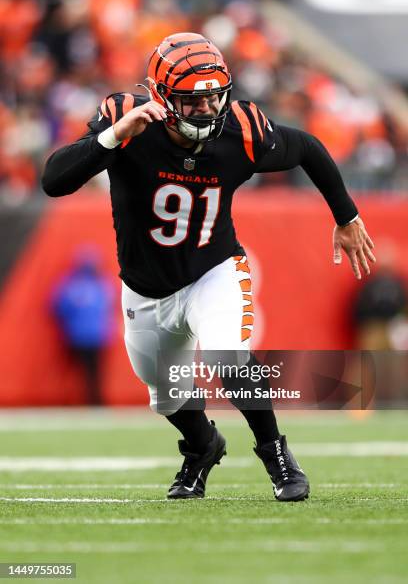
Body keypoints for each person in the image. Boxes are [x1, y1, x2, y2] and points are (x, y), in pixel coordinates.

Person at [41, 32, 376, 502]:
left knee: (228, 360)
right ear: (159, 96)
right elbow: (54, 180)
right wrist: (115, 137)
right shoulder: (125, 120)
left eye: (214, 97)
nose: (206, 109)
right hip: (144, 287)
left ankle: (276, 454)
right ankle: (202, 448)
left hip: (212, 270)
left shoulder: (242, 129)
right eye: (191, 100)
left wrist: (346, 216)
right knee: (167, 395)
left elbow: (307, 148)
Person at [51, 247, 116, 405]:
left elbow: (59, 308)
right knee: (94, 371)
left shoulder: (68, 285)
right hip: (98, 336)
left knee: (76, 371)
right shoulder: (103, 285)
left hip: (76, 335)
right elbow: (110, 307)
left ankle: (74, 400)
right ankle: (95, 401)